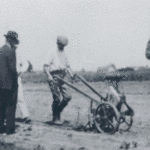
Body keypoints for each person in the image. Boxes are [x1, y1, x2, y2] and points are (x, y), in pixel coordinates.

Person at [43, 36, 74, 125]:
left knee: (68, 96)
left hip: (64, 76)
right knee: (57, 98)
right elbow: (45, 65)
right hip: (54, 76)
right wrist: (49, 75)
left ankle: (57, 112)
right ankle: (55, 117)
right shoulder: (52, 52)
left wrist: (72, 75)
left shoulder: (64, 53)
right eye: (61, 45)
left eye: (64, 46)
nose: (63, 47)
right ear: (58, 43)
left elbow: (68, 66)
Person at [0, 31, 19, 134]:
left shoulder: (0, 50)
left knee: (1, 106)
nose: (15, 43)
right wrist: (16, 81)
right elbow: (12, 69)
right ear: (10, 40)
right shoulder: (11, 51)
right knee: (11, 106)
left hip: (0, 84)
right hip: (9, 84)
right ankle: (10, 129)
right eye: (14, 41)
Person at [17, 55, 31, 124]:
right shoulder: (3, 51)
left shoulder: (17, 53)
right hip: (4, 78)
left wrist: (21, 71)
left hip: (16, 78)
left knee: (20, 97)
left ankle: (25, 116)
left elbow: (26, 64)